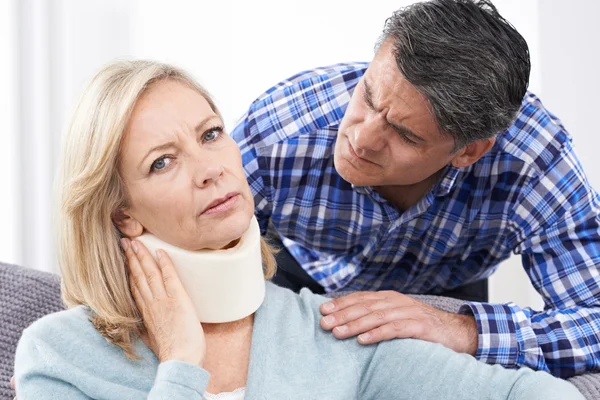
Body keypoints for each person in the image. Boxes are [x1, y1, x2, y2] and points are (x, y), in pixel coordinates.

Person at [12, 60, 582, 399]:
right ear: (122, 213)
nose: (211, 168)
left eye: (211, 135)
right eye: (162, 161)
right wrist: (182, 364)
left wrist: (468, 330)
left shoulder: (335, 336)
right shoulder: (58, 354)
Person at [230, 0, 600, 380]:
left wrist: (464, 330)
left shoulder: (536, 162)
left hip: (448, 290)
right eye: (369, 97)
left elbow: (595, 320)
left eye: (404, 134)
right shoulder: (277, 132)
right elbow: (191, 261)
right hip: (299, 269)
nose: (361, 137)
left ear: (468, 151)